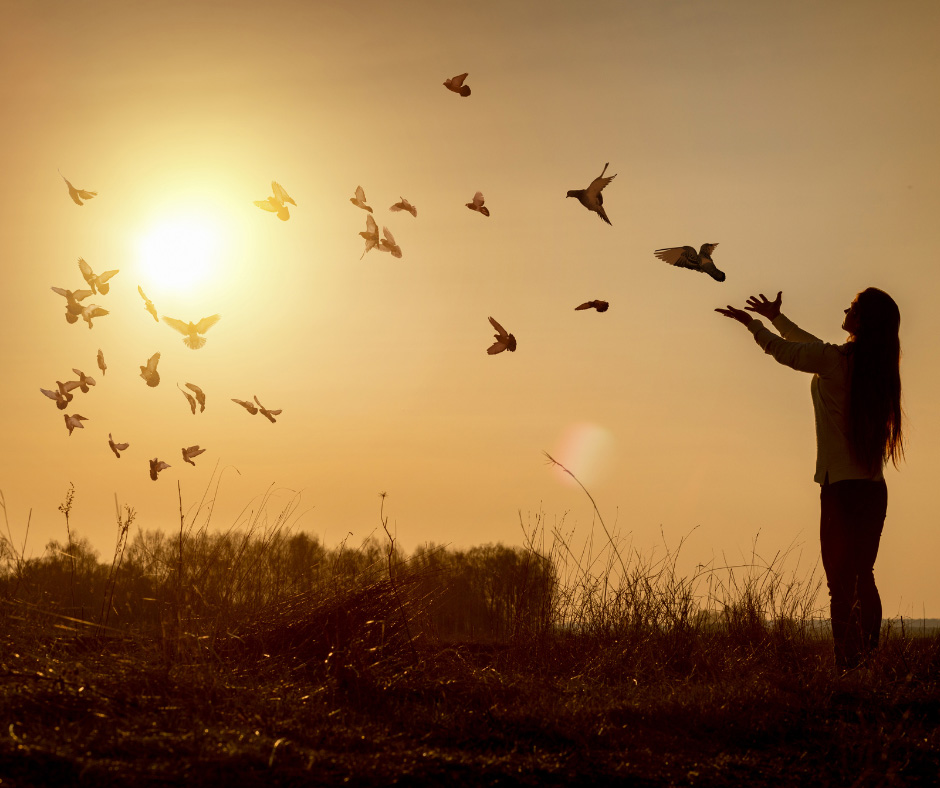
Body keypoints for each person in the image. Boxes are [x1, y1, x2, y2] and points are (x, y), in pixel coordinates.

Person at [716, 289, 904, 671]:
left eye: (852, 307)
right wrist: (777, 319)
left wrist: (752, 324)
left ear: (863, 320)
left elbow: (791, 353)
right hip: (871, 489)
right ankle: (865, 660)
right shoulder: (872, 366)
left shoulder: (835, 361)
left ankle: (848, 664)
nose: (845, 309)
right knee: (862, 575)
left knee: (840, 581)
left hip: (840, 489)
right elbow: (811, 346)